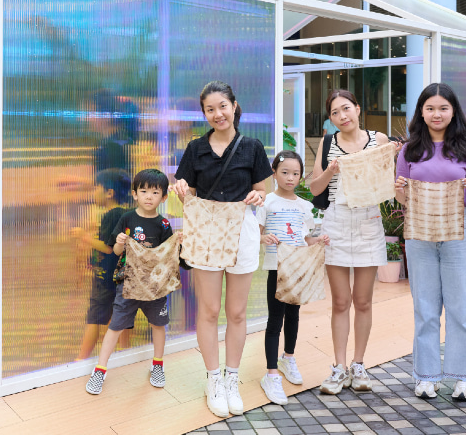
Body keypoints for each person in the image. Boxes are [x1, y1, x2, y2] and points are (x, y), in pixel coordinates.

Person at [172, 81, 272, 418]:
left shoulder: (252, 147)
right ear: (204, 113)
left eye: (222, 106)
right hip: (206, 232)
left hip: (242, 230)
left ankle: (232, 378)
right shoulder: (196, 148)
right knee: (209, 310)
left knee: (238, 312)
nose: (218, 114)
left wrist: (258, 196)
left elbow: (261, 189)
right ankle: (212, 378)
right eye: (210, 109)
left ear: (234, 106)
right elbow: (186, 190)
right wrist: (181, 188)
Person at [394, 83, 466, 402]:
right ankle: (426, 377)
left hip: (459, 228)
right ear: (421, 111)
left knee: (461, 307)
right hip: (419, 231)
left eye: (443, 108)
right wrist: (401, 188)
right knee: (425, 306)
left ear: (453, 111)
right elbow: (400, 195)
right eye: (430, 108)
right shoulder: (409, 149)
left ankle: (463, 378)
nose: (437, 114)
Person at [307, 90, 402, 395]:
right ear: (331, 118)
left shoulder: (380, 140)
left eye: (346, 108)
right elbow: (314, 187)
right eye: (334, 112)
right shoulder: (328, 143)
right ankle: (338, 367)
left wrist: (396, 158)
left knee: (363, 301)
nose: (342, 116)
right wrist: (331, 170)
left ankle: (358, 365)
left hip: (369, 221)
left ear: (358, 108)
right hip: (336, 221)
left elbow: (391, 182)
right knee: (339, 302)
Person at [85, 169, 175, 394]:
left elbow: (168, 255)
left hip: (154, 287)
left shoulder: (164, 225)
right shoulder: (126, 218)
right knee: (115, 326)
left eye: (155, 192)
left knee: (158, 325)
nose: (148, 196)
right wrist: (119, 242)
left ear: (163, 197)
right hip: (127, 284)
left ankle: (158, 365)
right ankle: (99, 370)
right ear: (134, 194)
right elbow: (115, 251)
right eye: (143, 191)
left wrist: (177, 243)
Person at [257, 150, 329, 405]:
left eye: (296, 173)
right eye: (285, 172)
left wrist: (318, 241)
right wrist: (263, 237)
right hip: (277, 269)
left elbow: (305, 238)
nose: (290, 178)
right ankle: (271, 373)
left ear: (301, 176)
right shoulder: (266, 203)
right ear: (274, 173)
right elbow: (256, 232)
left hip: (298, 269)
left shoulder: (304, 206)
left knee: (294, 316)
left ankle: (288, 358)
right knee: (275, 320)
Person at [73, 169, 134, 359]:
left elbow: (108, 248)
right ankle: (125, 353)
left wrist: (84, 237)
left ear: (109, 192)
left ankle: (81, 359)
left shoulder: (111, 215)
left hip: (107, 278)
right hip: (123, 276)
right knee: (122, 315)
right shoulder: (126, 214)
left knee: (94, 318)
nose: (93, 192)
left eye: (96, 188)